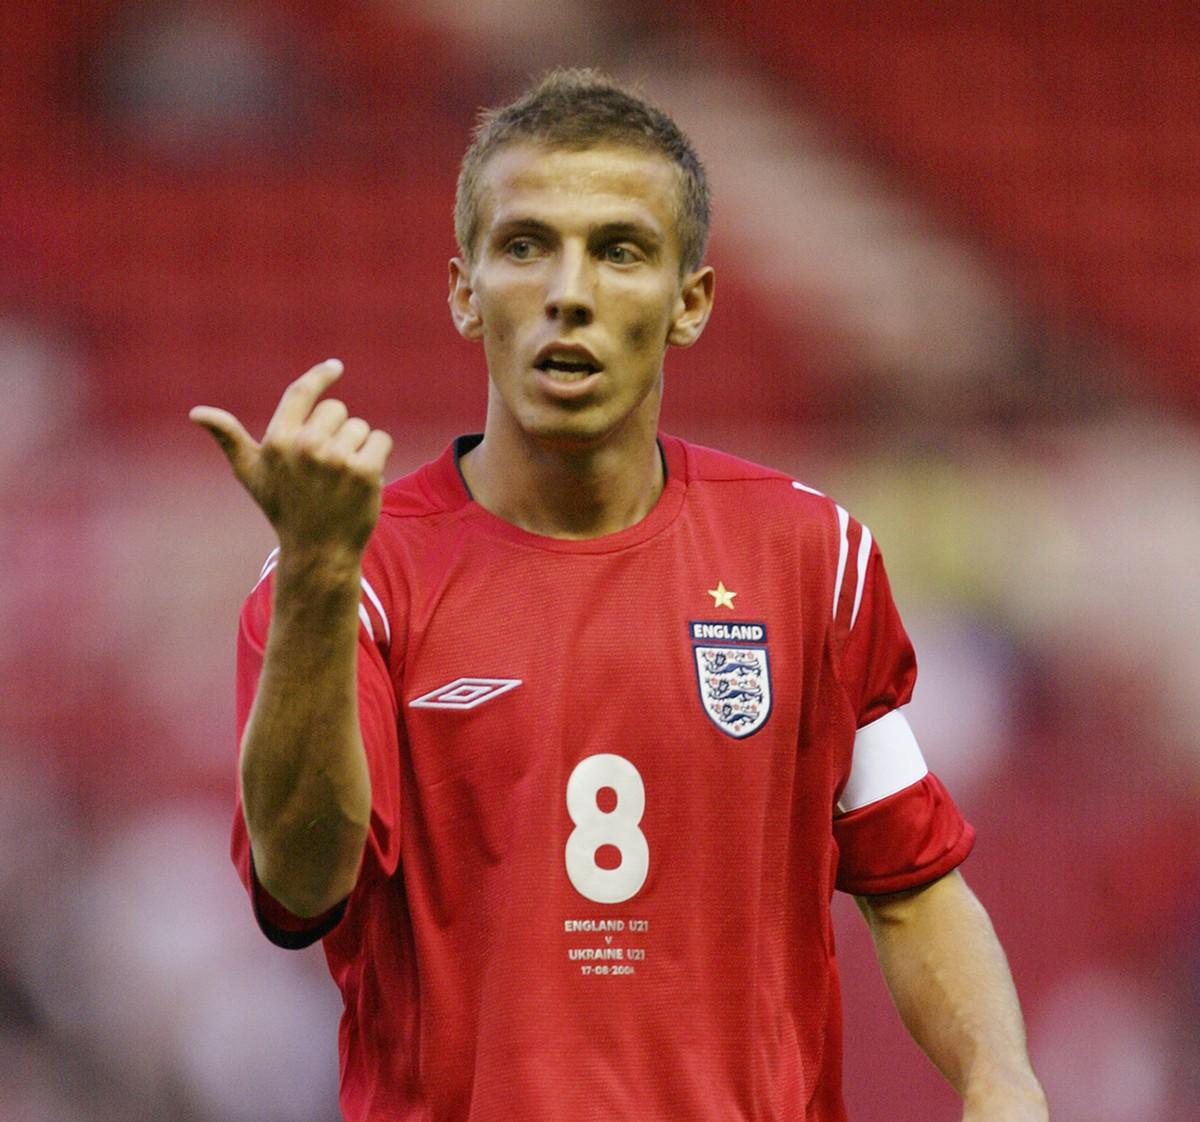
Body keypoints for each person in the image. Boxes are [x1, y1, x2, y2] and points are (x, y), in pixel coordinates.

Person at [191, 68, 1048, 1122]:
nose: (569, 290)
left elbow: (911, 884)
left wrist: (1001, 1079)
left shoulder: (810, 558)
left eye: (620, 251)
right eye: (524, 246)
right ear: (463, 291)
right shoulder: (352, 579)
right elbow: (298, 886)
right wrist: (319, 579)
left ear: (691, 303)